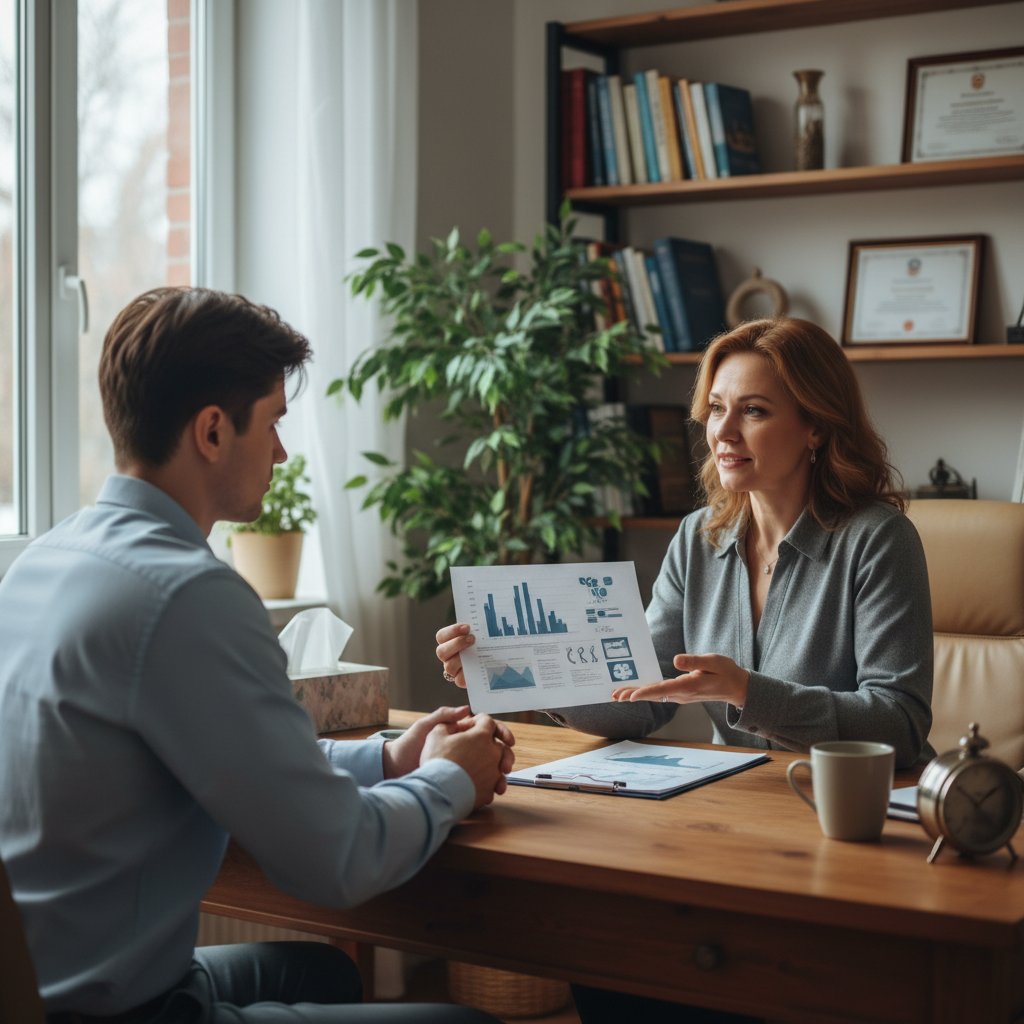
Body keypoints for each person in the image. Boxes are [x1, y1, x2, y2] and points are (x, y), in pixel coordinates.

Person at [0, 286, 513, 1024]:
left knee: (323, 972)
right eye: (272, 423)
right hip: (117, 1012)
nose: (279, 451)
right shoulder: (186, 595)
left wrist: (392, 759)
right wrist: (449, 779)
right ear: (212, 431)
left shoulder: (48, 558)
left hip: (43, 982)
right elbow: (340, 860)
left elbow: (224, 757)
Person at [436, 316, 934, 1024]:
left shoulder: (878, 541)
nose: (723, 432)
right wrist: (515, 668)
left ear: (817, 427)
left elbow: (902, 726)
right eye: (718, 409)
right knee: (602, 954)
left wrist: (746, 691)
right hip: (739, 827)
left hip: (852, 838)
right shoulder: (698, 541)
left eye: (755, 411)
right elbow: (641, 704)